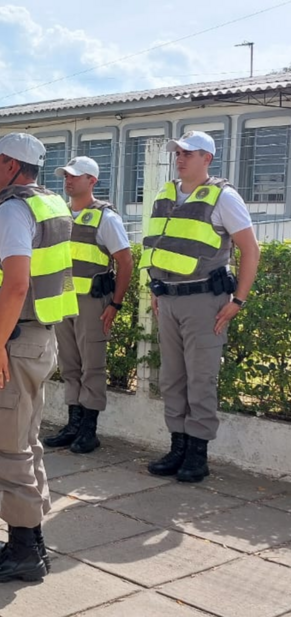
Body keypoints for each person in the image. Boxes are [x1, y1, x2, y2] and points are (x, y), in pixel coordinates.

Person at [0, 133, 78, 583]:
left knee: (5, 446)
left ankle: (24, 549)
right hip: (36, 337)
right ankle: (27, 538)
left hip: (11, 340)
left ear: (12, 165)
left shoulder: (13, 209)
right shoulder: (49, 203)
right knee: (25, 441)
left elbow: (15, 284)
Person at [141, 131, 259, 483]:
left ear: (207, 159)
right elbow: (161, 246)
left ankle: (197, 454)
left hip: (205, 301)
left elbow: (250, 249)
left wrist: (238, 299)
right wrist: (157, 292)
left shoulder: (224, 197)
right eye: (178, 152)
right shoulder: (165, 194)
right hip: (168, 298)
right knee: (172, 378)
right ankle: (177, 447)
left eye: (188, 153)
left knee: (201, 379)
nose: (180, 158)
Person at [42, 156, 133, 454]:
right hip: (65, 301)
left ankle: (89, 430)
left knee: (92, 366)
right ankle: (73, 424)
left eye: (75, 176)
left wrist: (115, 305)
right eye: (66, 175)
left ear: (92, 181)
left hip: (93, 303)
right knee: (70, 365)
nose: (68, 180)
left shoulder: (106, 217)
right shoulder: (61, 215)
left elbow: (125, 261)